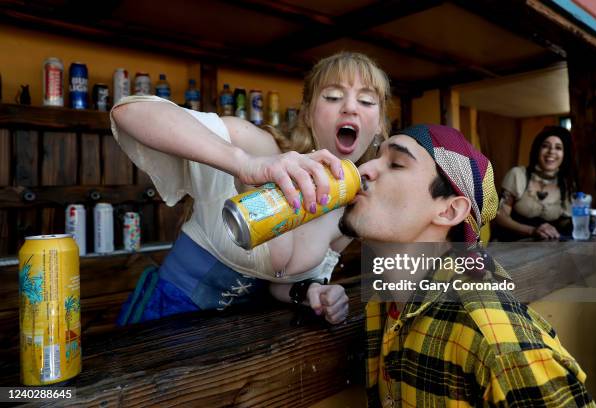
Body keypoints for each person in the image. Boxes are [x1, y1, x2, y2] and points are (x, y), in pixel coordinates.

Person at [110, 52, 391, 325]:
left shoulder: (350, 207)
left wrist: (313, 293)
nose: (351, 107)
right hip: (165, 318)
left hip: (242, 336)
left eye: (366, 101)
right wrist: (244, 163)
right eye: (332, 97)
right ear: (307, 112)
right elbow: (129, 111)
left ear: (379, 123)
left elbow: (277, 285)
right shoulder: (258, 146)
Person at [338, 124, 594, 406]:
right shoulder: (385, 301)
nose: (363, 169)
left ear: (449, 210)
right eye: (375, 156)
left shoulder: (494, 341)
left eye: (397, 164)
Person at [495, 126, 574, 240]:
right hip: (512, 247)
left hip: (548, 251)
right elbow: (499, 216)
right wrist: (532, 231)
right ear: (537, 149)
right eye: (545, 146)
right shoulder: (518, 175)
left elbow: (565, 222)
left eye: (558, 148)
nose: (551, 151)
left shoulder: (566, 184)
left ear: (565, 154)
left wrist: (590, 221)